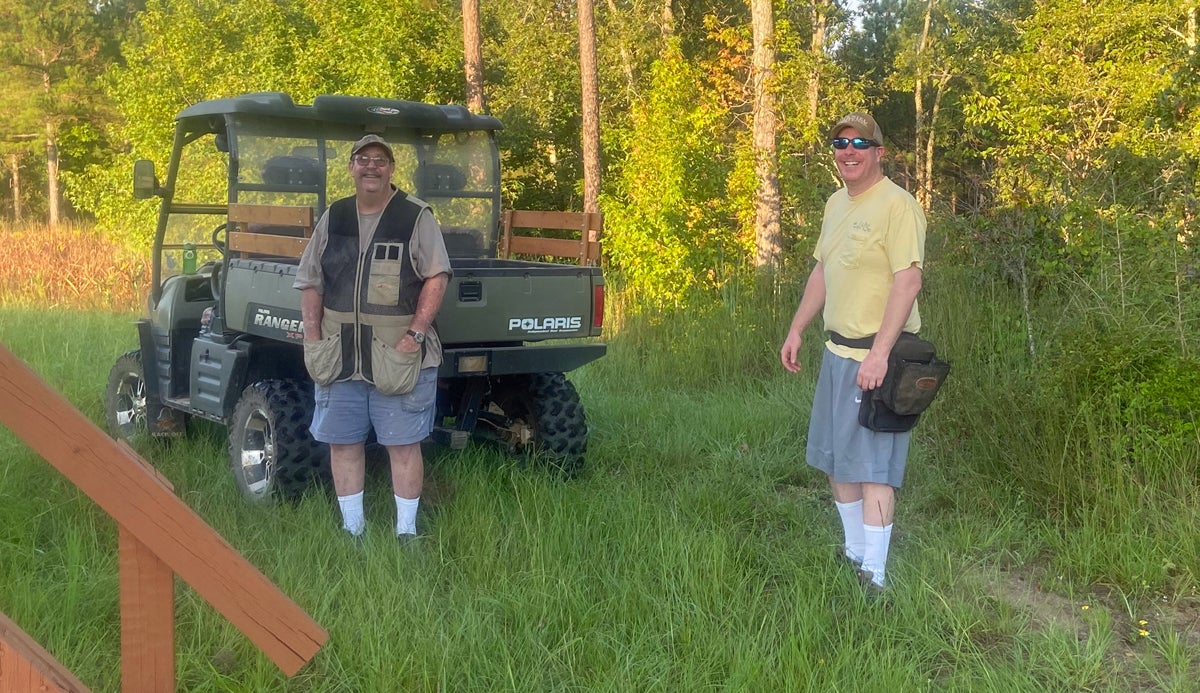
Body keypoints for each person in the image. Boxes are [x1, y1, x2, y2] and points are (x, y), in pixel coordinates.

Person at [779, 113, 926, 592]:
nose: (848, 151)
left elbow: (909, 280)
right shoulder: (835, 204)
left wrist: (880, 354)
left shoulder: (897, 206)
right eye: (840, 143)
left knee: (873, 470)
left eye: (859, 143)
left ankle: (876, 577)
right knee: (836, 461)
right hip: (836, 353)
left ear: (878, 151)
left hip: (880, 357)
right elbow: (822, 272)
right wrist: (797, 328)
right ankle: (854, 556)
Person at [294, 134, 452, 542]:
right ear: (351, 168)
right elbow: (310, 280)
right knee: (343, 444)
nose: (371, 167)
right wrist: (313, 337)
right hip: (339, 356)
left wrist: (414, 336)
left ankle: (406, 534)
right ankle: (353, 533)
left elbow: (437, 276)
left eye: (380, 160)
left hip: (395, 357)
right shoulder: (335, 216)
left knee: (403, 446)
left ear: (391, 169)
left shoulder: (415, 216)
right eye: (363, 159)